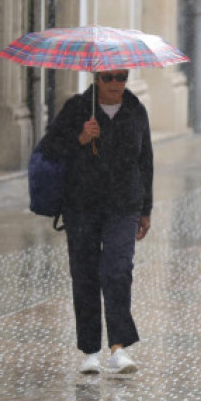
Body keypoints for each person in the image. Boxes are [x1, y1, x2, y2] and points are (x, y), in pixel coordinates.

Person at [40, 69, 153, 375]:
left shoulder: (135, 110)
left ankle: (119, 347)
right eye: (109, 77)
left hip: (123, 206)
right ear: (96, 78)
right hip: (82, 206)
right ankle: (90, 350)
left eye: (122, 76)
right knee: (85, 275)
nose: (116, 84)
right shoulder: (77, 108)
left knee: (117, 270)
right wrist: (80, 137)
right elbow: (50, 149)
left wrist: (146, 209)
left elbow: (146, 161)